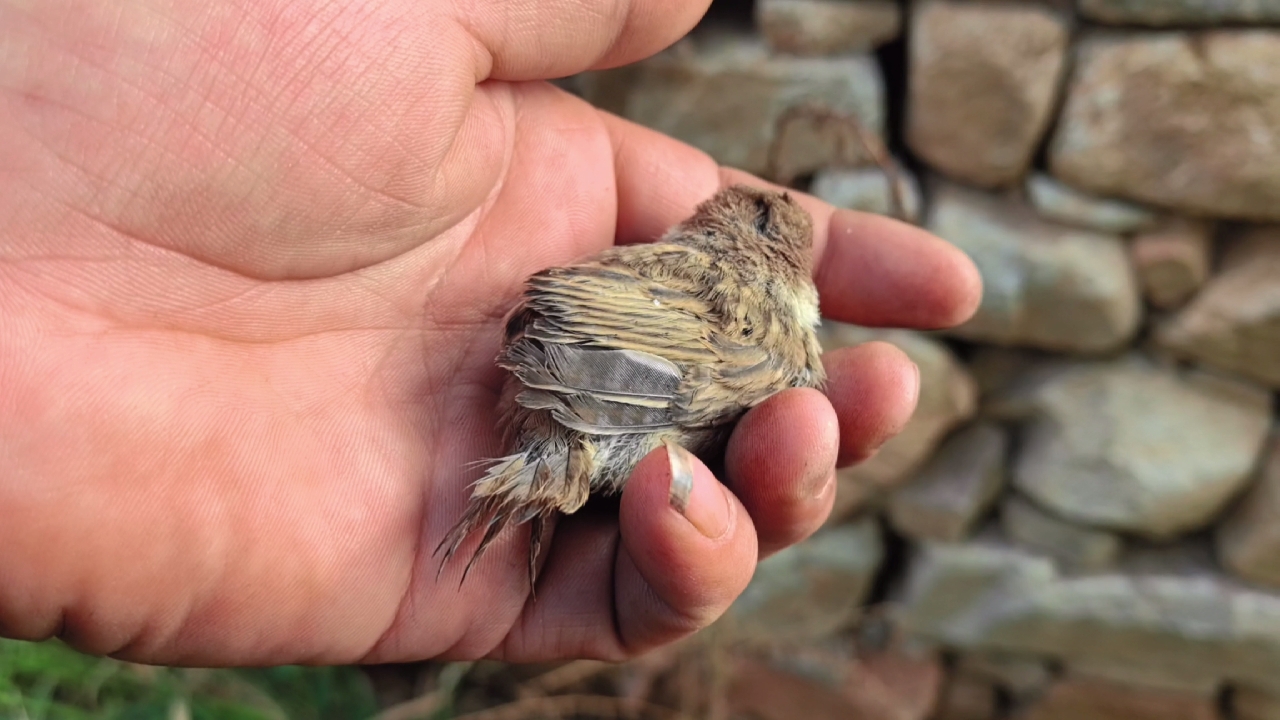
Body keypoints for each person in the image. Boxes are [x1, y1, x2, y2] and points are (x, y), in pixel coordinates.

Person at [0, 0, 981, 666]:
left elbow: (586, 314)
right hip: (587, 379)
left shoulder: (722, 288)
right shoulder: (766, 318)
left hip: (573, 370)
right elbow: (617, 330)